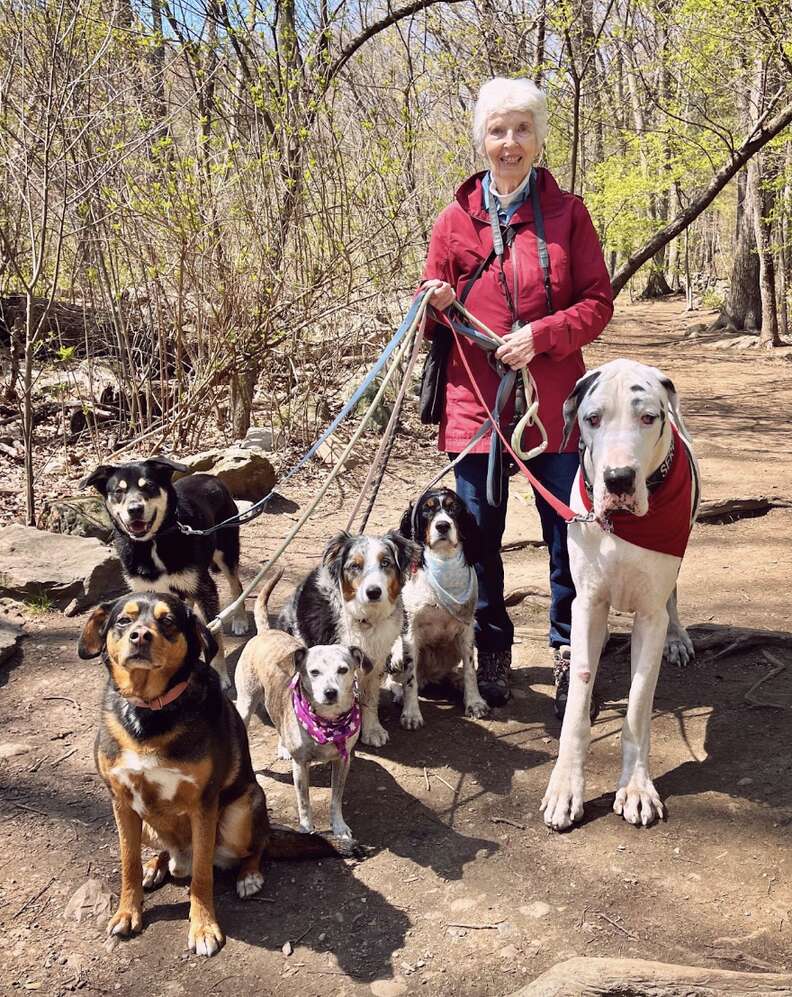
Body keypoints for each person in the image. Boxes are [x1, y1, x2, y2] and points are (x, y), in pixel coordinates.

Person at [420, 77, 613, 713]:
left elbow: (597, 302)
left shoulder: (568, 213)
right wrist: (437, 302)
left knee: (566, 529)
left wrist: (544, 335)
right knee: (479, 532)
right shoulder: (453, 220)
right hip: (474, 400)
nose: (509, 143)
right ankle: (493, 647)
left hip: (551, 400)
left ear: (537, 138)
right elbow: (434, 308)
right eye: (498, 130)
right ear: (482, 138)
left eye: (521, 130)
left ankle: (569, 648)